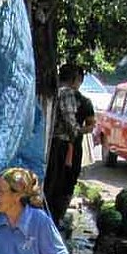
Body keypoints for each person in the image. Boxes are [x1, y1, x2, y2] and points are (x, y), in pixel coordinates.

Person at [44, 63, 86, 226]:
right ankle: (52, 221)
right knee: (58, 184)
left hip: (51, 143)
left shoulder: (54, 90)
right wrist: (81, 131)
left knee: (50, 183)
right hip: (60, 144)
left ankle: (49, 219)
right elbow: (70, 121)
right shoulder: (67, 93)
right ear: (75, 79)